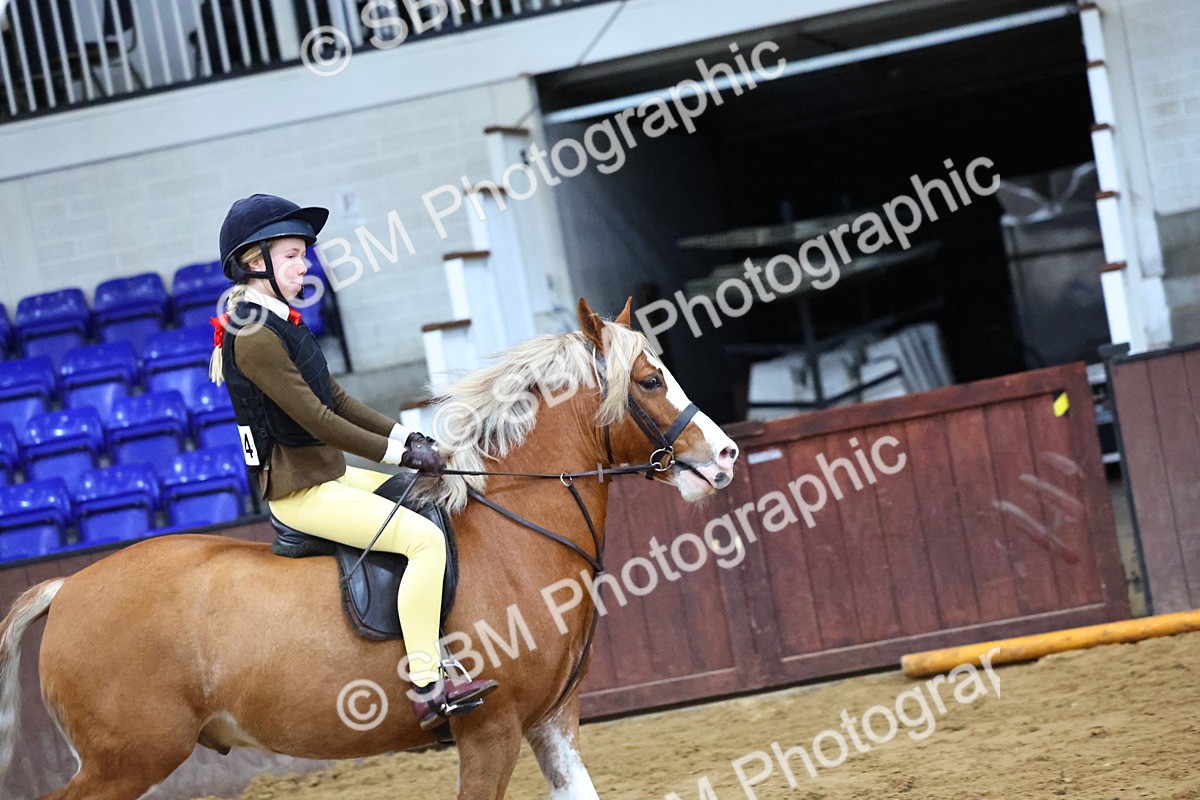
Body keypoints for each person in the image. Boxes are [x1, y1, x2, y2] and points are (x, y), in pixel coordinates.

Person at [208, 193, 497, 731]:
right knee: (423, 541)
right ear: (256, 263)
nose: (304, 265)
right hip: (300, 492)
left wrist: (410, 438)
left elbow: (337, 398)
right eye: (292, 255)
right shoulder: (254, 337)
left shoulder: (280, 321)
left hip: (327, 473)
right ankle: (429, 684)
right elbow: (319, 419)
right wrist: (397, 453)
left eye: (303, 255)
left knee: (419, 498)